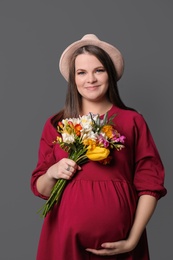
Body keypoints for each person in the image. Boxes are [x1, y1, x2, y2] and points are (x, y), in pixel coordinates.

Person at [31, 34, 167, 260]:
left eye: (99, 70)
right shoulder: (57, 124)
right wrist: (53, 172)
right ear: (73, 79)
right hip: (64, 241)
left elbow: (150, 185)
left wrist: (132, 240)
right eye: (81, 72)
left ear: (110, 75)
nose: (90, 79)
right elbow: (42, 189)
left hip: (122, 245)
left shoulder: (133, 121)